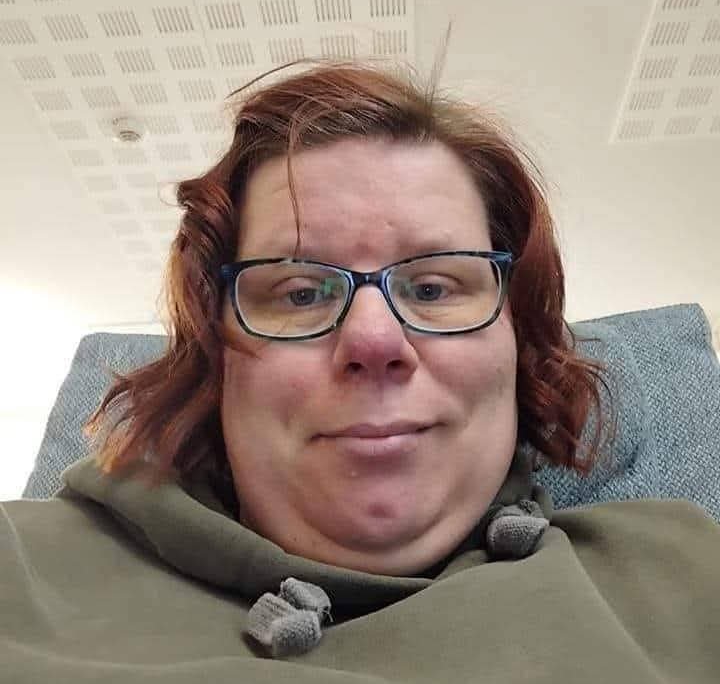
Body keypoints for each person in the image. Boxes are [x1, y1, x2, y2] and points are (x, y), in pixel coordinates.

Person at [2, 60, 719, 683]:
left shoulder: (682, 571)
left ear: (519, 343)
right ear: (215, 366)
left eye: (434, 287)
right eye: (299, 293)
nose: (375, 339)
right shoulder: (22, 571)